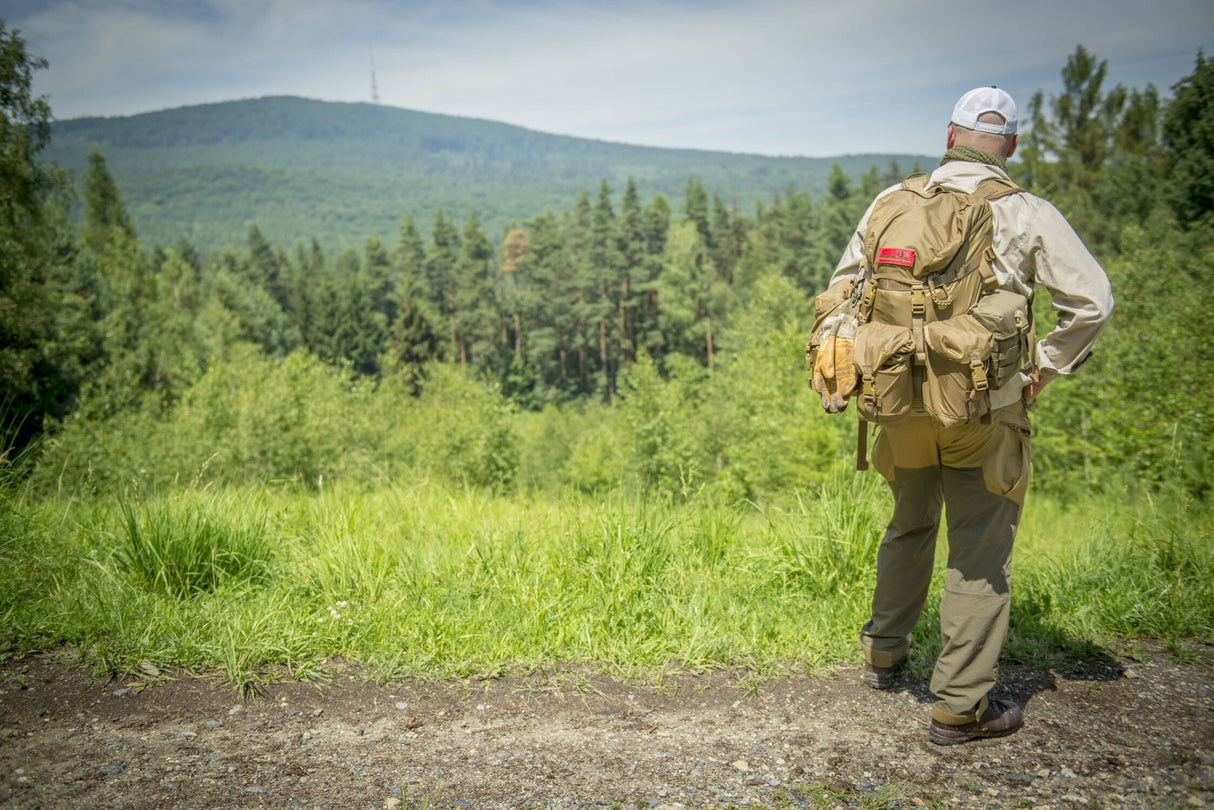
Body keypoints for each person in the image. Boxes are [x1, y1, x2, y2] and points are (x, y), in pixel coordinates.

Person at [825, 86, 1113, 744]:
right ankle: (959, 708)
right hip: (986, 408)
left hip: (897, 402)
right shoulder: (1026, 212)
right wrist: (1044, 366)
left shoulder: (891, 203)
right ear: (1009, 148)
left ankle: (884, 652)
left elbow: (844, 288)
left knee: (910, 523)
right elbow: (1093, 301)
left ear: (949, 137)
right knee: (979, 553)